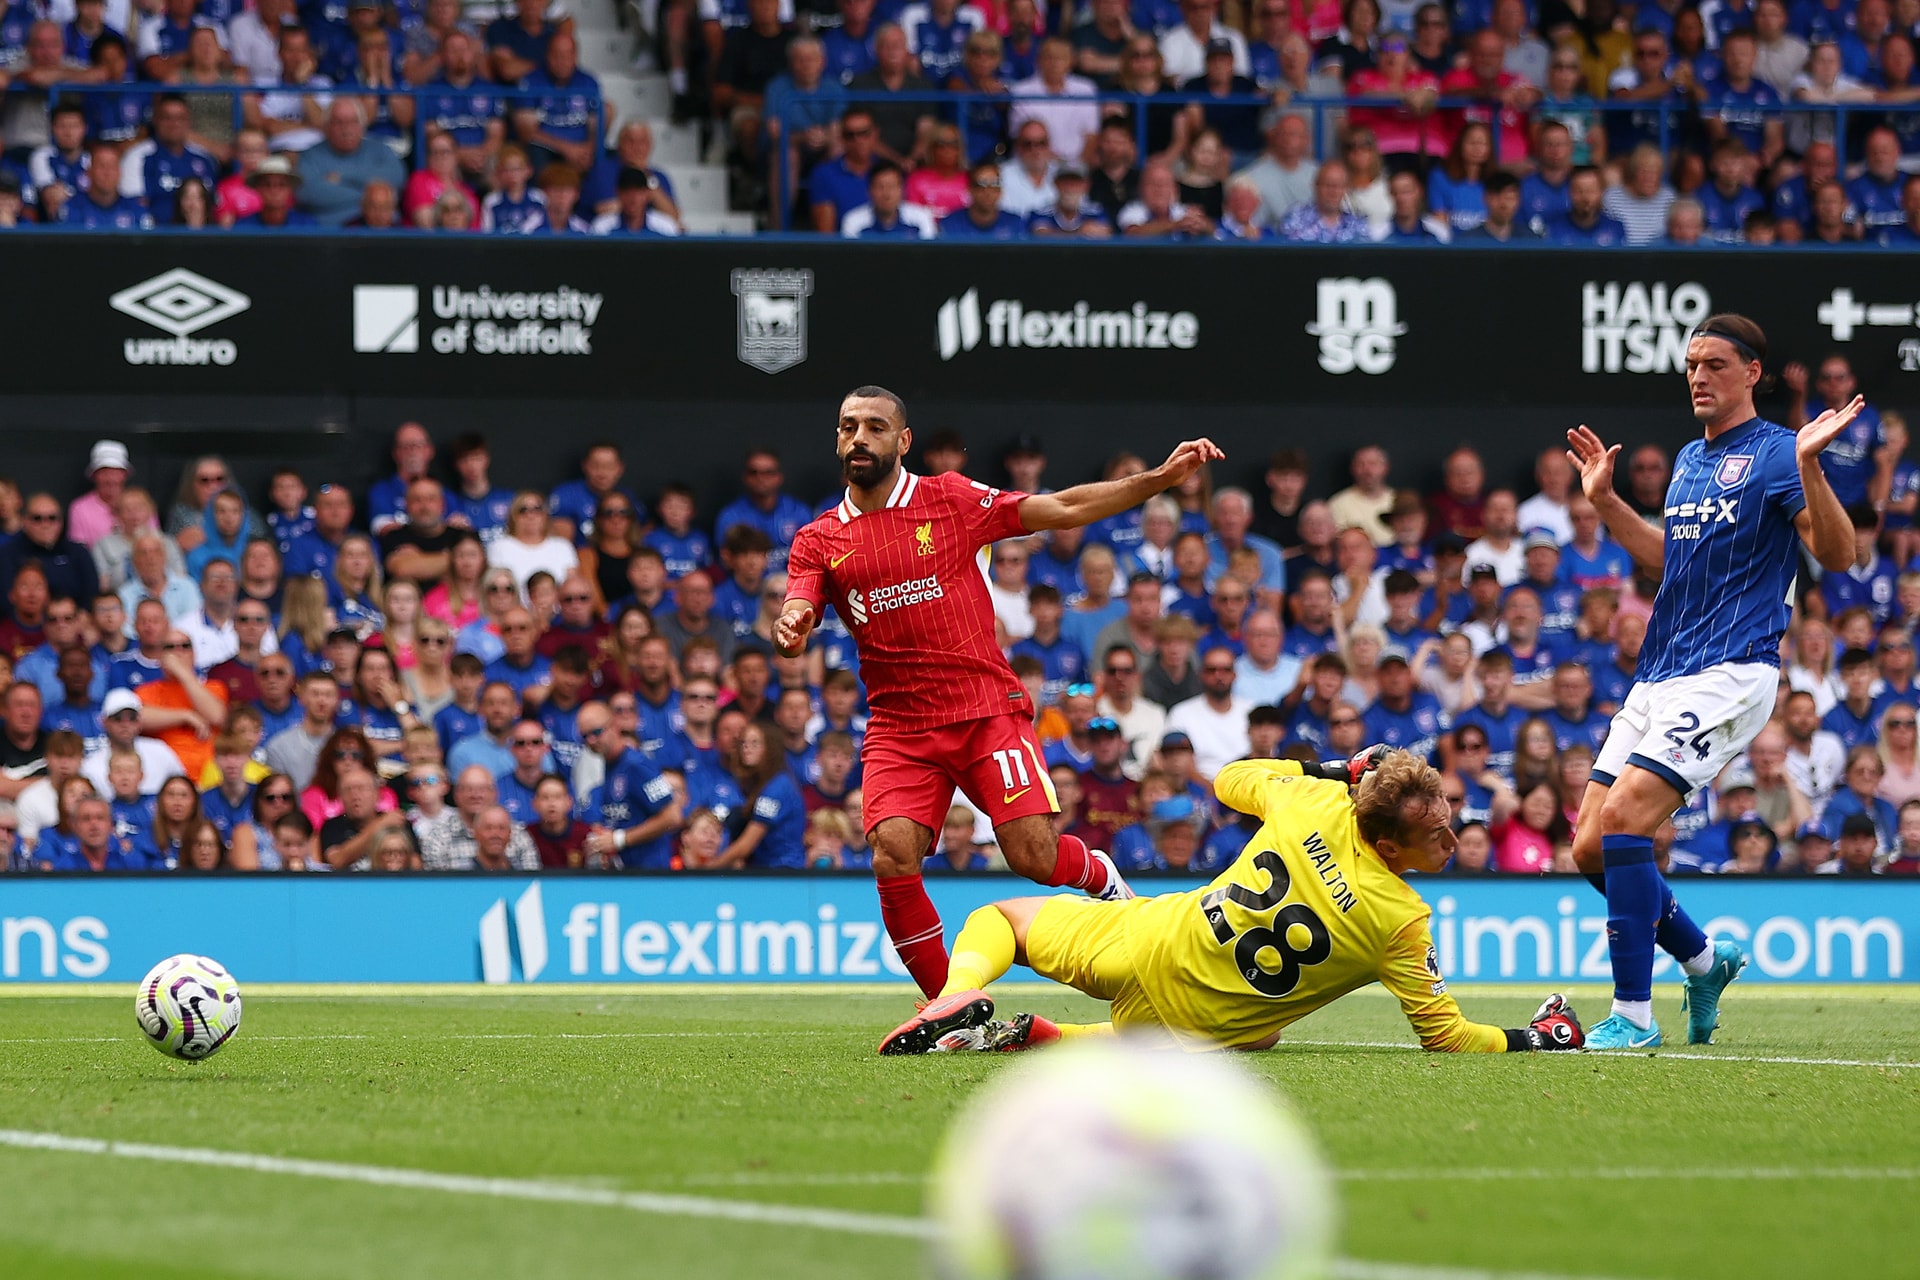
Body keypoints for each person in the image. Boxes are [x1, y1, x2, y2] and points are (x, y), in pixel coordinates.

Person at [775, 386, 1225, 998]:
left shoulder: (951, 499)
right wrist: (793, 622)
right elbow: (799, 599)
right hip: (900, 727)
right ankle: (949, 1006)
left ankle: (1102, 877)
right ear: (837, 438)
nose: (860, 437)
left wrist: (1159, 479)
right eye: (848, 426)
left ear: (902, 442)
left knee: (1032, 857)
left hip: (984, 710)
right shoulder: (820, 537)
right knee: (892, 854)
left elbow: (1063, 508)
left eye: (876, 427)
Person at [879, 749, 1587, 1055]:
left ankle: (956, 994)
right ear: (1391, 847)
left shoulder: (1311, 799)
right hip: (1199, 1029)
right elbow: (1447, 1036)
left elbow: (1228, 778)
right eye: (1436, 832)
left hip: (1153, 940)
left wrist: (1331, 770)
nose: (1452, 836)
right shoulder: (1402, 921)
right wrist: (1536, 1038)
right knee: (1260, 1030)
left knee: (999, 919)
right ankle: (1053, 1040)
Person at [1565, 313, 1857, 1051]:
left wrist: (1813, 466)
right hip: (1661, 671)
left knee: (1629, 817)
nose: (1698, 376)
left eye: (1715, 364)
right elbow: (1672, 562)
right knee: (1589, 847)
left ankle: (1632, 1018)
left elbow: (1840, 553)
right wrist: (1604, 502)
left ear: (1752, 373)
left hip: (1731, 670)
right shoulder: (1693, 461)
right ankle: (1704, 959)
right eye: (1691, 363)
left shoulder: (1779, 454)